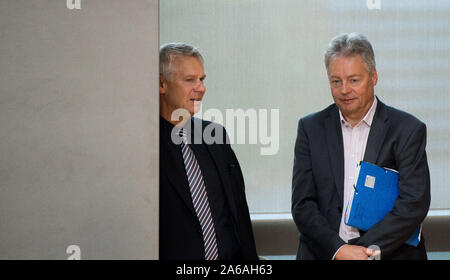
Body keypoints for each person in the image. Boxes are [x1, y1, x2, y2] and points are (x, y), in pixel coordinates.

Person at [291, 33, 430, 260]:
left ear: (373, 77)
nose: (344, 90)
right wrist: (338, 250)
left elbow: (413, 204)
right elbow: (302, 205)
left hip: (387, 253)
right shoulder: (310, 128)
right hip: (325, 254)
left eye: (354, 80)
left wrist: (362, 252)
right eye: (336, 81)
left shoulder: (407, 130)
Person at [159, 43, 258, 260]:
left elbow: (239, 214)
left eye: (202, 80)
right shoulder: (143, 147)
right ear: (161, 84)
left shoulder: (215, 136)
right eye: (189, 80)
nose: (201, 88)